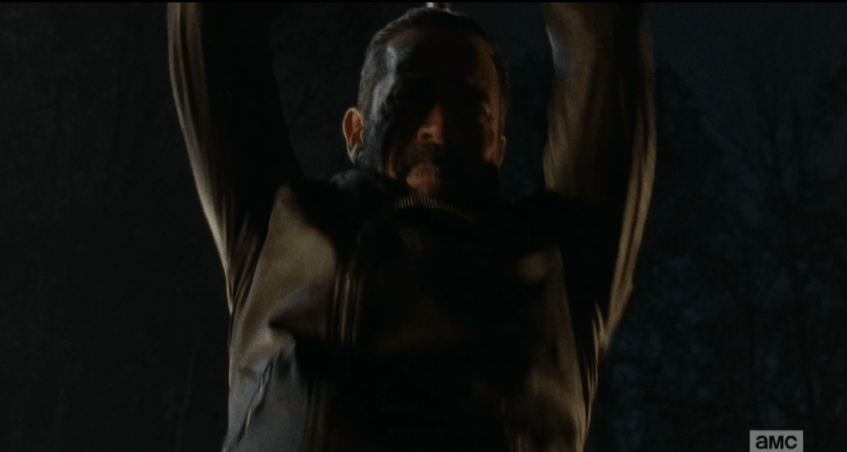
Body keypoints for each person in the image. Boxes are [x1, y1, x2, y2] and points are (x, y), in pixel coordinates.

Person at [167, 2, 656, 451]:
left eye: (469, 108)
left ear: (499, 146)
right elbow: (210, 21)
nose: (437, 126)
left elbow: (604, 35)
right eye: (408, 96)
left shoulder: (557, 264)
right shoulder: (281, 226)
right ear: (355, 130)